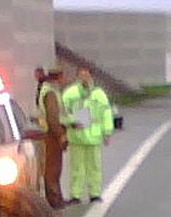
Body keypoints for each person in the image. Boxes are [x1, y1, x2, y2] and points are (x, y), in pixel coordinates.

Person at [61, 65, 114, 204]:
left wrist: (107, 132)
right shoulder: (70, 94)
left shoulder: (99, 94)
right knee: (76, 168)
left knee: (94, 167)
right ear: (77, 76)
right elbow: (62, 114)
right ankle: (75, 195)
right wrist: (72, 122)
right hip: (77, 137)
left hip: (94, 137)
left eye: (87, 75)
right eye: (81, 75)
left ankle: (95, 193)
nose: (84, 78)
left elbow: (106, 113)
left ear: (91, 76)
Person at [36, 68, 67, 208]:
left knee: (52, 168)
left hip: (48, 134)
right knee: (53, 169)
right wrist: (60, 135)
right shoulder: (51, 93)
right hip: (51, 135)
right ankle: (54, 200)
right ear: (58, 78)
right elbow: (53, 117)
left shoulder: (46, 90)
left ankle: (56, 198)